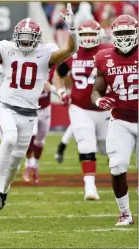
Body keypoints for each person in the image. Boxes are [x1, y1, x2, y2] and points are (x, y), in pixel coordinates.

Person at [0, 2, 78, 211]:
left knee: (15, 163)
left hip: (30, 112)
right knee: (9, 139)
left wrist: (73, 29)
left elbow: (71, 49)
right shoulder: (7, 49)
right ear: (16, 36)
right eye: (22, 37)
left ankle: (3, 192)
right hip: (6, 105)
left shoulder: (46, 53)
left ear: (37, 38)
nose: (25, 41)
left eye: (29, 37)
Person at [54, 19, 113, 200]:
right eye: (84, 35)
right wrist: (61, 91)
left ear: (99, 35)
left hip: (104, 109)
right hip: (79, 107)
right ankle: (90, 187)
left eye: (91, 34)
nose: (87, 38)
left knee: (106, 147)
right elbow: (59, 74)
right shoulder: (72, 52)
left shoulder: (109, 50)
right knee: (86, 141)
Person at [91, 14, 138, 226]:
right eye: (121, 33)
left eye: (129, 32)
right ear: (113, 35)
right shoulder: (103, 57)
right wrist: (99, 100)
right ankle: (125, 213)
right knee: (117, 166)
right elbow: (96, 90)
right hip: (120, 120)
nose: (126, 38)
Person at [21, 67, 56, 184]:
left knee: (40, 140)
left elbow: (60, 83)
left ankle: (35, 165)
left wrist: (55, 89)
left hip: (45, 109)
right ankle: (28, 164)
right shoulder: (27, 66)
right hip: (31, 107)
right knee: (31, 135)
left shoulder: (52, 67)